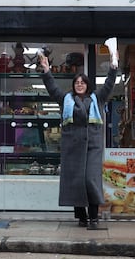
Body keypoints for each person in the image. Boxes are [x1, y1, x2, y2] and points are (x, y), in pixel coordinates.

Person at [38, 39, 119, 230]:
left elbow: (108, 83)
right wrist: (46, 70)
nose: (80, 84)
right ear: (73, 86)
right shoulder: (65, 99)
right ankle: (81, 218)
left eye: (83, 82)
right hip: (72, 148)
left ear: (88, 85)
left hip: (92, 147)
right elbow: (52, 88)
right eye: (77, 82)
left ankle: (93, 219)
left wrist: (114, 66)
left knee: (90, 180)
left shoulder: (97, 98)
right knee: (76, 181)